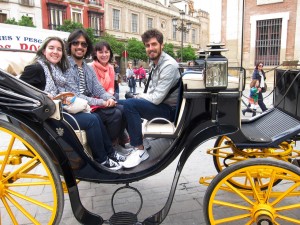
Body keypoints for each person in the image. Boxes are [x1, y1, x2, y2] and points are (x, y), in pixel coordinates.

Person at [20, 36, 125, 170]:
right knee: (92, 120)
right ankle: (102, 159)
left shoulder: (55, 68)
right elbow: (22, 90)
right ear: (43, 51)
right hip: (46, 116)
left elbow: (96, 88)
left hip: (60, 109)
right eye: (51, 48)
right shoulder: (36, 68)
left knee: (99, 116)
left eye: (59, 49)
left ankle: (110, 153)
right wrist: (44, 96)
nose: (55, 52)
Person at [119, 29, 181, 168]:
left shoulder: (168, 65)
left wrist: (138, 96)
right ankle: (128, 141)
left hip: (168, 111)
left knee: (130, 104)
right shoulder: (155, 63)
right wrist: (137, 97)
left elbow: (157, 98)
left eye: (154, 44)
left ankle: (140, 150)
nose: (150, 48)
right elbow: (152, 91)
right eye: (147, 45)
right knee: (118, 103)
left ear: (161, 45)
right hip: (161, 105)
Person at [64, 29, 132, 156]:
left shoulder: (85, 67)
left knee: (123, 109)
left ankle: (116, 144)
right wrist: (103, 102)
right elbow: (76, 95)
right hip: (79, 106)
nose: (80, 47)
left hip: (90, 103)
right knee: (115, 114)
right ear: (70, 45)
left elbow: (98, 89)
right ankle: (111, 146)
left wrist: (109, 98)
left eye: (83, 44)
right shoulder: (67, 66)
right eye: (75, 43)